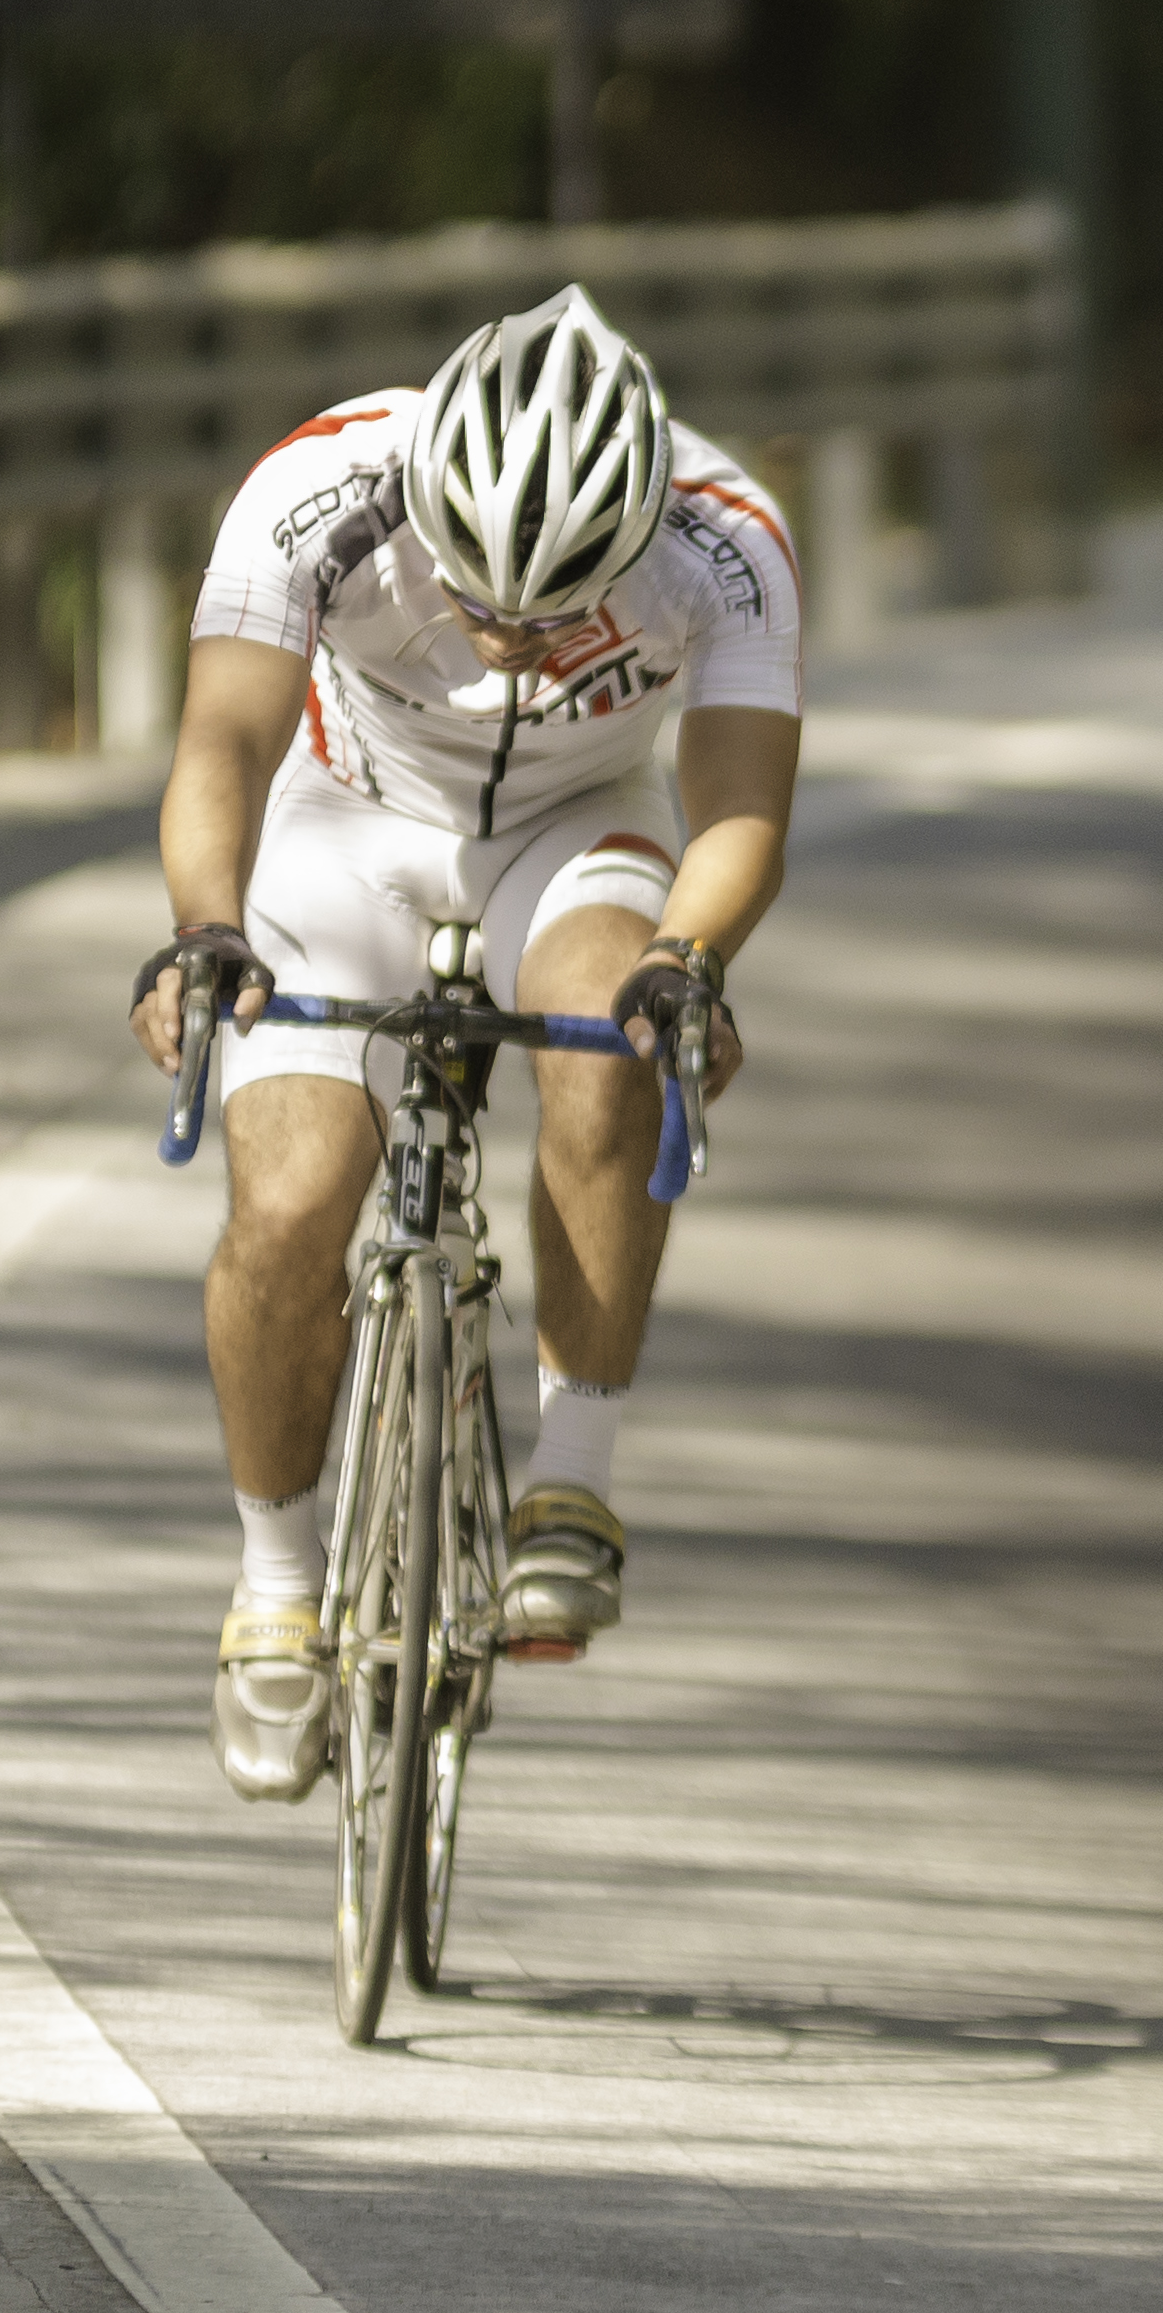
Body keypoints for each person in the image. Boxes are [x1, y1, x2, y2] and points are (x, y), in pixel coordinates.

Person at [129, 285, 799, 1802]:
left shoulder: (729, 537)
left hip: (574, 826)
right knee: (293, 1195)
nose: (508, 639)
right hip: (345, 816)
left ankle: (575, 1479)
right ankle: (276, 1585)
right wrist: (203, 925)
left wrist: (687, 966)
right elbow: (224, 742)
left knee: (612, 1042)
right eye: (482, 597)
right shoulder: (315, 485)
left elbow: (739, 804)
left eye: (560, 606)